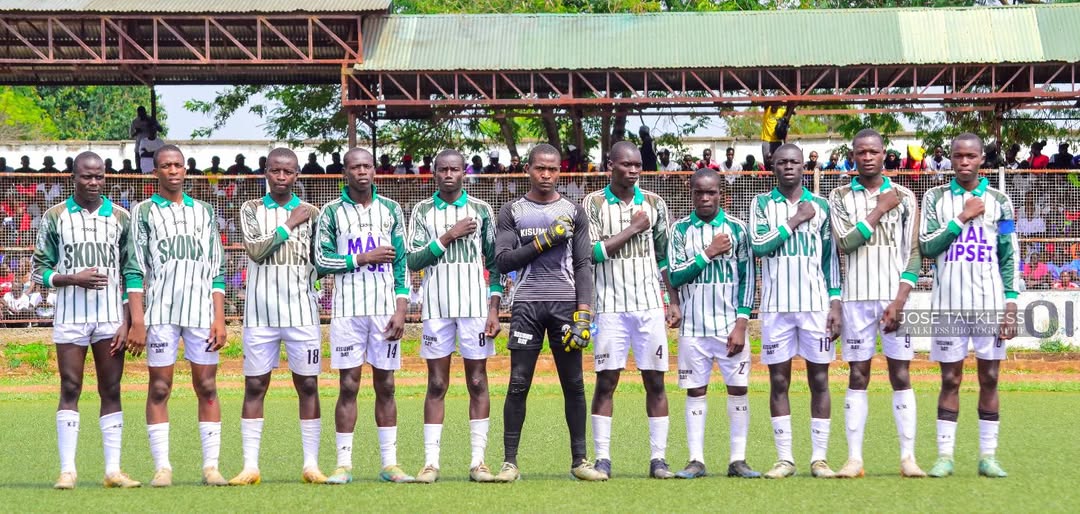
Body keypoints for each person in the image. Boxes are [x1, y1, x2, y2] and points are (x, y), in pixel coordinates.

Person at [493, 143, 605, 482]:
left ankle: (580, 461)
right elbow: (503, 261)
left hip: (565, 306)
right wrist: (543, 240)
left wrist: (583, 314)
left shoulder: (574, 211)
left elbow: (584, 264)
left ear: (560, 171)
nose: (546, 175)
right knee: (517, 384)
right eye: (540, 168)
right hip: (526, 304)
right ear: (528, 169)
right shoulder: (512, 210)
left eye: (552, 169)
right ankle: (510, 462)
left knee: (574, 384)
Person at [31, 152, 140, 489]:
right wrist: (71, 279)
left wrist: (130, 320)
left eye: (99, 177)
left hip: (110, 319)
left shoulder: (120, 218)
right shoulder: (55, 216)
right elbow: (39, 269)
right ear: (73, 177)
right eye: (86, 176)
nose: (93, 182)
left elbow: (132, 272)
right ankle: (67, 471)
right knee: (70, 387)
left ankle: (113, 471)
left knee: (111, 389)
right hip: (70, 317)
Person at [125, 144, 229, 487]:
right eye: (166, 165)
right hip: (160, 314)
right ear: (156, 171)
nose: (173, 170)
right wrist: (137, 321)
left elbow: (216, 269)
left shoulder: (205, 212)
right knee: (159, 387)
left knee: (208, 386)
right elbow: (135, 269)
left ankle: (211, 467)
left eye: (178, 165)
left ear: (186, 170)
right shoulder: (143, 212)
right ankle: (162, 467)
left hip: (201, 313)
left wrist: (219, 317)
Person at [918, 133, 1017, 479]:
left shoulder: (1000, 201)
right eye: (958, 156)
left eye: (970, 157)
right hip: (948, 305)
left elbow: (1008, 253)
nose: (964, 162)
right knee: (950, 378)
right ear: (950, 158)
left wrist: (1012, 303)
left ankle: (987, 457)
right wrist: (962, 217)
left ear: (981, 160)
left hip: (990, 304)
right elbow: (927, 246)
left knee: (990, 377)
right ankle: (945, 456)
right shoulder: (935, 198)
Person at [829, 129, 926, 478]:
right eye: (860, 152)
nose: (867, 157)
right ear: (852, 156)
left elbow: (914, 255)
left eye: (873, 151)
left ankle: (908, 459)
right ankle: (854, 460)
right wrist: (878, 210)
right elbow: (844, 243)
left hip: (895, 299)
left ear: (885, 154)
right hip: (855, 298)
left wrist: (900, 300)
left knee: (901, 373)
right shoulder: (839, 196)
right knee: (858, 374)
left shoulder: (906, 196)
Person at [228, 148, 328, 486]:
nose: (281, 177)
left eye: (288, 172)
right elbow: (256, 250)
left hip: (302, 314)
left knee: (309, 384)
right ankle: (250, 466)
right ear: (266, 172)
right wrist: (288, 224)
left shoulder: (313, 213)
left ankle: (311, 464)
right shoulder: (251, 209)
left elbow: (320, 261)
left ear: (297, 174)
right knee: (255, 384)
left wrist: (304, 283)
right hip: (260, 314)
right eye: (275, 171)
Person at [314, 147, 413, 484]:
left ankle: (390, 464)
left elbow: (402, 262)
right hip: (347, 312)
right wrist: (362, 258)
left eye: (367, 166)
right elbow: (321, 261)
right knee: (348, 385)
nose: (362, 172)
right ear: (345, 171)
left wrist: (402, 309)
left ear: (375, 170)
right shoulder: (330, 212)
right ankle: (343, 465)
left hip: (385, 312)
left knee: (386, 385)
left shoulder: (391, 210)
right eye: (355, 166)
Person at [406, 149, 503, 483]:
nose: (449, 174)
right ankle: (431, 463)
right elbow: (414, 260)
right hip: (436, 309)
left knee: (477, 381)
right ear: (434, 173)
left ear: (465, 172)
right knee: (436, 383)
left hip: (475, 309)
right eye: (442, 169)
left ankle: (479, 462)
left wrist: (494, 308)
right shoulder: (422, 210)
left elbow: (494, 263)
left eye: (455, 169)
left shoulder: (481, 210)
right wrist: (448, 235)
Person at [583, 141, 677, 479]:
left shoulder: (655, 203)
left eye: (638, 164)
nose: (634, 170)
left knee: (655, 381)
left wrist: (673, 300)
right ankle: (603, 458)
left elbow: (665, 257)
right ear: (611, 165)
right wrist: (633, 229)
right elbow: (591, 253)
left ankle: (659, 460)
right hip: (610, 308)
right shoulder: (593, 203)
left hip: (650, 306)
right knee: (606, 381)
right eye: (626, 164)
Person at [750, 143, 841, 479]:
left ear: (804, 166)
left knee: (820, 379)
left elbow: (830, 258)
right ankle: (785, 458)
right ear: (772, 167)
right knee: (778, 381)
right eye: (781, 162)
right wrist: (794, 220)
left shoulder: (821, 205)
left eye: (794, 162)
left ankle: (819, 459)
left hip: (816, 307)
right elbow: (759, 246)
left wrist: (835, 302)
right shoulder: (761, 204)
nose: (788, 167)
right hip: (776, 308)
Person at [667, 168, 761, 480]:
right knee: (695, 392)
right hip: (693, 328)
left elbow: (749, 279)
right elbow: (676, 276)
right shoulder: (679, 231)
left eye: (711, 192)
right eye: (699, 192)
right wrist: (708, 253)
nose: (705, 198)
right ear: (690, 193)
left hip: (730, 328)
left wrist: (742, 323)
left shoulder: (739, 229)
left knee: (738, 389)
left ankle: (738, 460)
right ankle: (696, 460)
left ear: (722, 193)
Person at [761, 103, 793, 168]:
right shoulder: (767, 109)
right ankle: (768, 175)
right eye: (773, 106)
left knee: (777, 160)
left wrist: (792, 109)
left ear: (778, 106)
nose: (774, 108)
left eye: (776, 107)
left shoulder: (781, 111)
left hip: (777, 141)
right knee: (767, 159)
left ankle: (776, 175)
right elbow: (763, 103)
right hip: (767, 140)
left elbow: (788, 114)